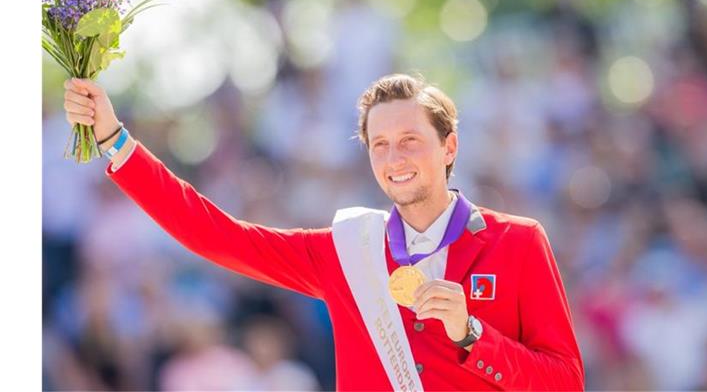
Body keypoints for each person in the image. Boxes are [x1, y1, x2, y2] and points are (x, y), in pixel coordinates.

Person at [62, 73, 584, 391]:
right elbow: (215, 236)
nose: (394, 157)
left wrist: (471, 334)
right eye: (379, 144)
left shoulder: (517, 240)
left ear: (448, 148)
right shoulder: (348, 249)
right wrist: (114, 138)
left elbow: (564, 382)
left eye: (409, 140)